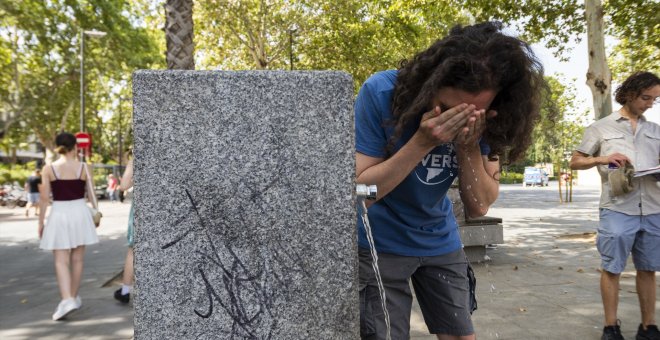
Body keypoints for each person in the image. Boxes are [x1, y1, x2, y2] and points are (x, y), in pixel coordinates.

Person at [355, 22, 549, 340]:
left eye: (473, 112)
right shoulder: (381, 91)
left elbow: (480, 204)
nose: (458, 119)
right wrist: (421, 142)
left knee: (461, 335)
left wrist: (469, 145)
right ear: (429, 84)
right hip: (378, 243)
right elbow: (360, 192)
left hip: (439, 239)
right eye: (446, 108)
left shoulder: (490, 117)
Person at [569, 71, 660, 340]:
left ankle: (648, 327)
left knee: (648, 268)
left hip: (654, 208)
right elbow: (575, 161)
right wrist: (603, 158)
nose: (650, 104)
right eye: (646, 97)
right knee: (612, 267)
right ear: (630, 93)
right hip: (617, 208)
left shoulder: (656, 131)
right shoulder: (600, 127)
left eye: (655, 100)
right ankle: (611, 327)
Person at [38, 132, 100, 321]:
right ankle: (72, 298)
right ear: (75, 147)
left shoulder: (49, 169)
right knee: (78, 260)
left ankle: (67, 299)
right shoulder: (84, 167)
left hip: (59, 213)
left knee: (60, 260)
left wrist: (40, 222)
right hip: (80, 211)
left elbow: (43, 199)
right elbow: (91, 195)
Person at [114, 158, 134, 304]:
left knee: (134, 250)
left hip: (143, 207)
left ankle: (125, 290)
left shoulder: (140, 155)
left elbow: (124, 185)